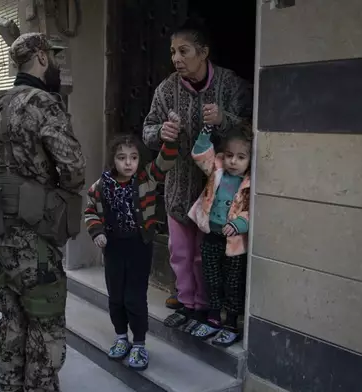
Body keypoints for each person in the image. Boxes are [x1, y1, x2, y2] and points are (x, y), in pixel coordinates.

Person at [0, 32, 86, 392]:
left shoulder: (0, 104)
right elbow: (73, 168)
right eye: (54, 57)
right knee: (45, 320)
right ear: (40, 57)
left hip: (0, 229)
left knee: (13, 318)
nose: (57, 64)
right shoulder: (44, 103)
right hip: (33, 231)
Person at [143, 23, 253, 329]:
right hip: (179, 185)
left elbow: (252, 127)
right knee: (180, 252)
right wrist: (160, 133)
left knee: (206, 257)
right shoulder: (166, 89)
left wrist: (223, 119)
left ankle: (209, 309)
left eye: (184, 51)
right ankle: (188, 304)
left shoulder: (231, 85)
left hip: (219, 192)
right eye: (172, 52)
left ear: (203, 53)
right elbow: (148, 129)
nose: (176, 58)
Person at [84, 133, 179, 371]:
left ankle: (139, 343)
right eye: (122, 158)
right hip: (114, 248)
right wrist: (97, 232)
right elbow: (89, 211)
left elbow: (165, 161)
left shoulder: (146, 177)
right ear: (112, 160)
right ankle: (121, 337)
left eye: (133, 157)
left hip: (139, 246)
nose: (128, 163)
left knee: (134, 298)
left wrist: (171, 138)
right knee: (116, 297)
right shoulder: (101, 186)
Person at [187, 123, 252, 347]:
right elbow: (200, 155)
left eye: (241, 157)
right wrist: (205, 133)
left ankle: (231, 324)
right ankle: (214, 318)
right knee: (211, 278)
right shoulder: (217, 171)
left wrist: (239, 224)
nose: (234, 161)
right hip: (212, 236)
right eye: (230, 155)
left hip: (234, 244)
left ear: (250, 160)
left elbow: (252, 211)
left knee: (232, 283)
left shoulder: (249, 184)